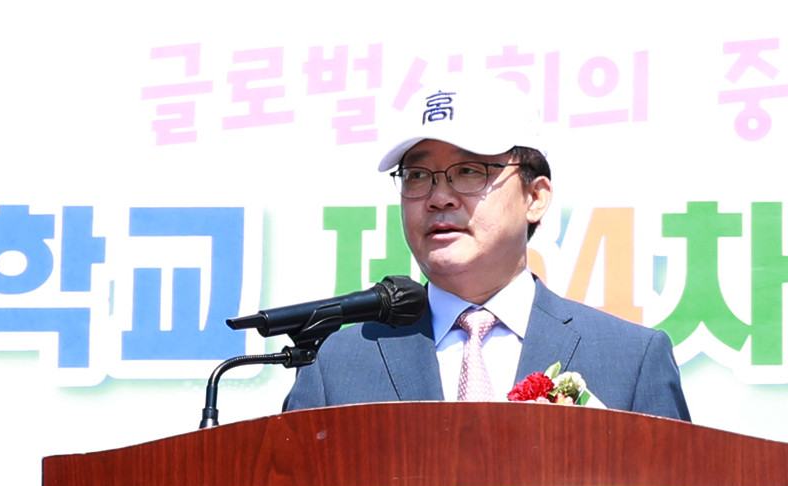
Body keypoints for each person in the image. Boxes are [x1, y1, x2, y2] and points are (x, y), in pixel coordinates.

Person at [283, 76, 690, 421]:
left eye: (468, 171)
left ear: (535, 197)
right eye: (418, 175)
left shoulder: (629, 359)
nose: (439, 197)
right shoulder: (337, 364)